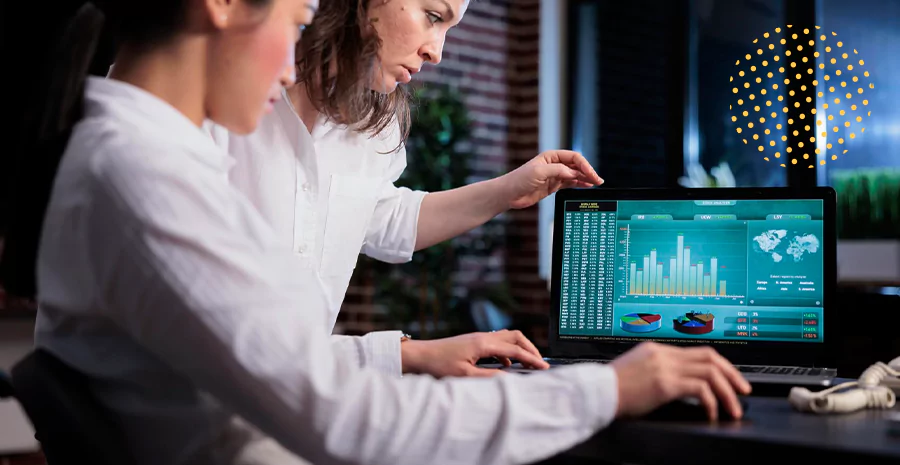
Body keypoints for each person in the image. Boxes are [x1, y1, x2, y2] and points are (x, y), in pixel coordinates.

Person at [10, 1, 751, 465]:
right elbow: (339, 418)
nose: (290, 63)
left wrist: (404, 353)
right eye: (295, 22)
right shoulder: (150, 177)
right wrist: (610, 386)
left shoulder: (126, 157)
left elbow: (256, 352)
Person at [215, 0, 603, 379]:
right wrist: (408, 355)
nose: (436, 52)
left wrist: (509, 190)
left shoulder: (372, 124)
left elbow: (385, 218)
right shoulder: (217, 103)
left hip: (299, 399)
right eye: (432, 16)